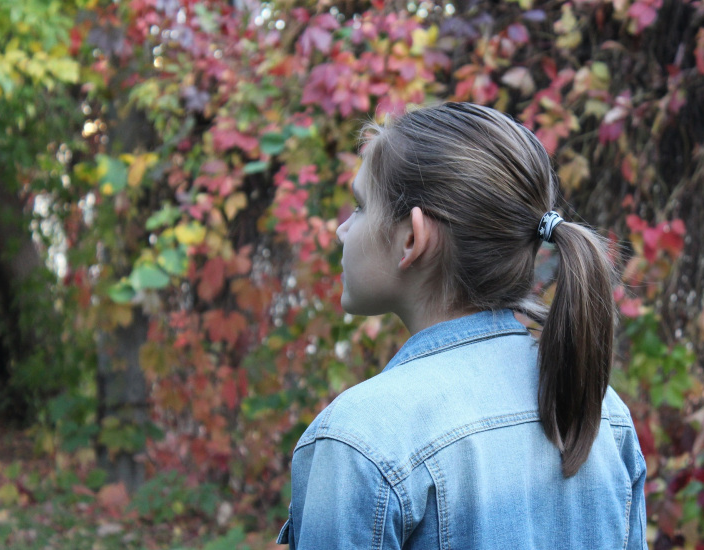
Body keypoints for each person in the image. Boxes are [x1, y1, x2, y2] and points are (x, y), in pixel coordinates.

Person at [276, 102, 647, 549]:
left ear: (411, 238)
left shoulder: (361, 439)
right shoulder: (599, 410)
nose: (342, 230)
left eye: (359, 206)